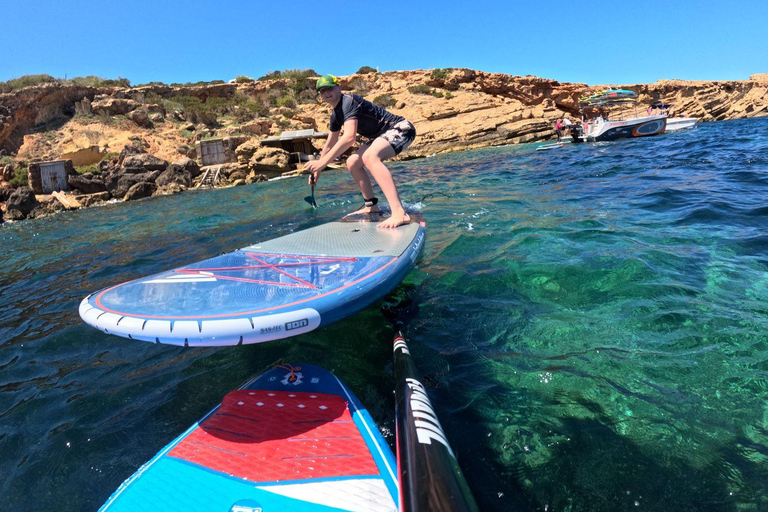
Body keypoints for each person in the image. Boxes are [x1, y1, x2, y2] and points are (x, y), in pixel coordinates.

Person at [304, 74, 416, 229]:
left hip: (401, 128)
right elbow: (330, 143)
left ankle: (399, 212)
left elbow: (349, 137)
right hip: (381, 136)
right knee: (352, 162)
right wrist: (318, 170)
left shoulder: (348, 101)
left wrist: (323, 162)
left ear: (339, 88)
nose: (326, 93)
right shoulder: (335, 115)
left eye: (329, 88)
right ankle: (371, 205)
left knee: (371, 157)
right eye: (322, 91)